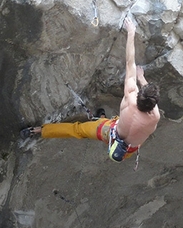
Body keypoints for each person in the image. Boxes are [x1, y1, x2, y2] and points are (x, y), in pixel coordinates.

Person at [20, 18, 160, 162]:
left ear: (139, 96)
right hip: (125, 151)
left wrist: (131, 33)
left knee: (77, 130)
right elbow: (150, 106)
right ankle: (101, 119)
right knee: (125, 128)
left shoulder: (131, 96)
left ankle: (39, 130)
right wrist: (143, 82)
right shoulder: (155, 117)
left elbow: (130, 62)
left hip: (108, 133)